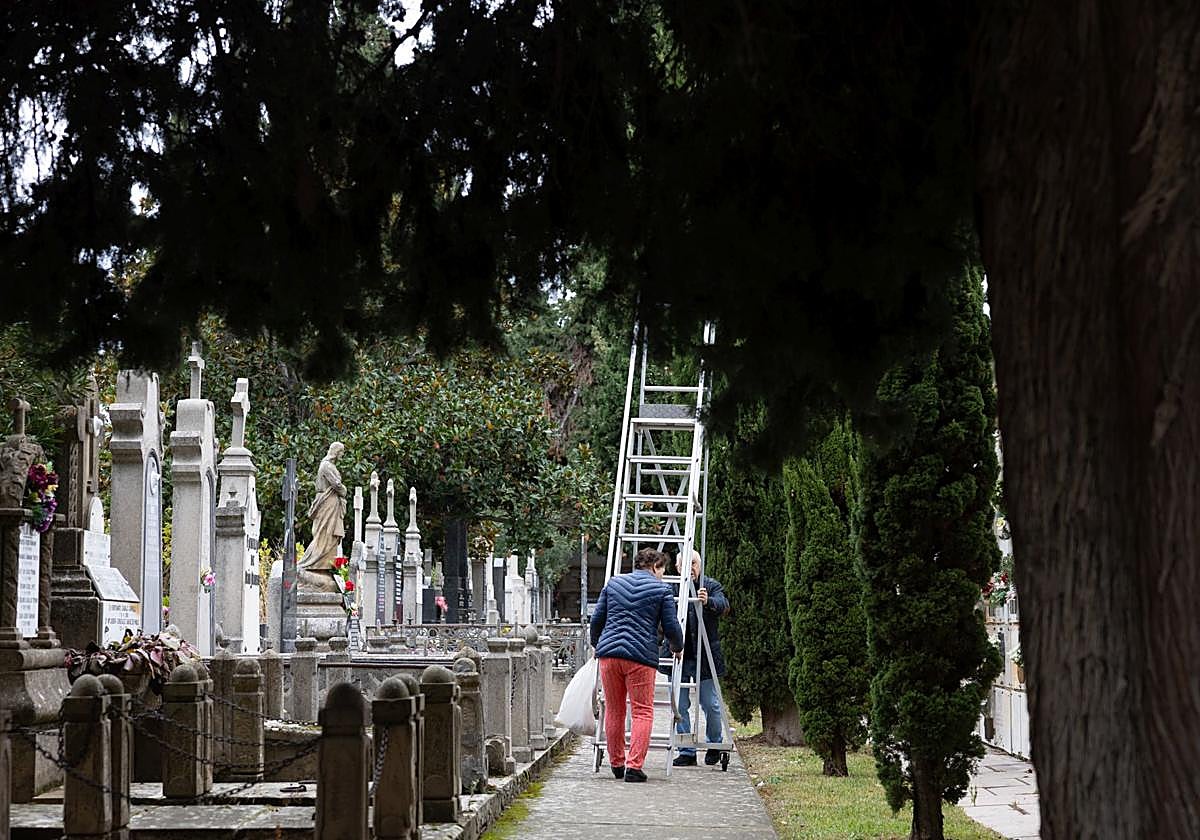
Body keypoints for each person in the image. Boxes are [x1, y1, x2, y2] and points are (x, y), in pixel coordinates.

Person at [590, 547, 685, 783]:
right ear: (655, 567)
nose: (663, 575)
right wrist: (677, 647)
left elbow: (597, 619)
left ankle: (616, 763)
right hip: (640, 657)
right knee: (642, 710)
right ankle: (634, 767)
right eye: (662, 570)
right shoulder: (661, 589)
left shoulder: (613, 584)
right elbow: (671, 626)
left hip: (609, 656)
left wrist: (597, 645)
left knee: (614, 709)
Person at [673, 549, 730, 767]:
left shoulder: (710, 584)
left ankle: (714, 745)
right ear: (678, 568)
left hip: (705, 655)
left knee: (711, 703)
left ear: (700, 564)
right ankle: (686, 750)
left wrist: (709, 602)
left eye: (694, 563)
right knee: (679, 704)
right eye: (686, 564)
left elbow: (724, 605)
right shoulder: (672, 586)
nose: (691, 568)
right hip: (680, 653)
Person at [298, 441, 347, 587]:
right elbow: (336, 484)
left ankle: (323, 567)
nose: (342, 455)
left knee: (330, 535)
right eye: (341, 452)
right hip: (327, 502)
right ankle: (310, 563)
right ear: (336, 452)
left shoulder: (330, 466)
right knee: (323, 534)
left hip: (331, 502)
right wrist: (343, 490)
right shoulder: (326, 465)